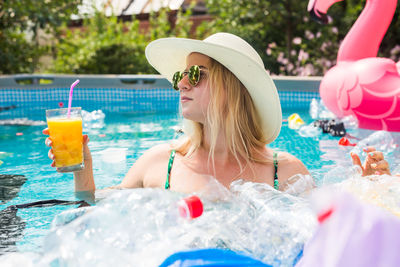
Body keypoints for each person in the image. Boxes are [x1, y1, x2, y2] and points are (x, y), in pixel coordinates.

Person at [43, 32, 393, 194]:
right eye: (181, 76)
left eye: (195, 75)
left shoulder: (283, 172)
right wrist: (83, 172)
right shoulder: (159, 163)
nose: (181, 84)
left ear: (232, 88)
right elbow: (92, 214)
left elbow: (328, 237)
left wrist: (372, 192)